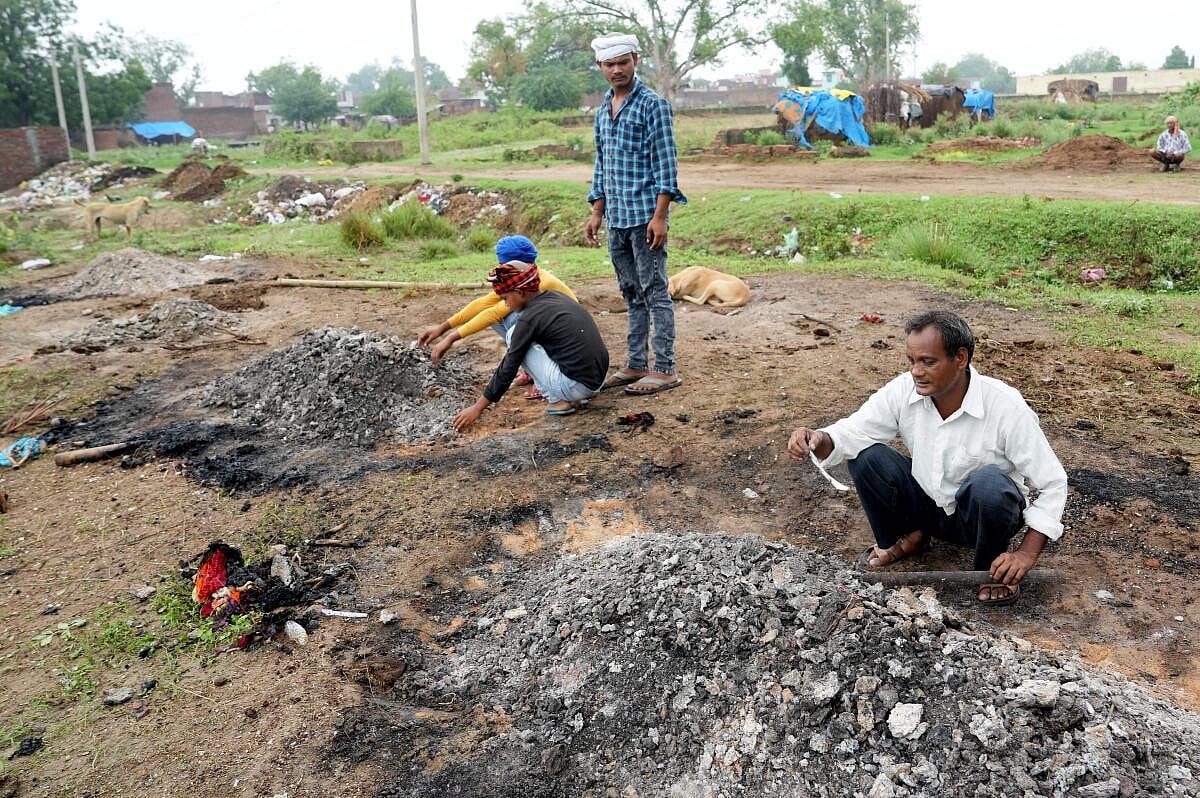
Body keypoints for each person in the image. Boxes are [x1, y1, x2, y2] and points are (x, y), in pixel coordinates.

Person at [787, 310, 1067, 606]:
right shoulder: (905, 390)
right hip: (928, 506)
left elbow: (1053, 483)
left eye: (928, 362)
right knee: (866, 455)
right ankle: (908, 536)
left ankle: (989, 568)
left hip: (981, 519)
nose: (916, 372)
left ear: (960, 359)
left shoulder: (1005, 407)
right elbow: (853, 431)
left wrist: (1025, 554)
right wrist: (818, 437)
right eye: (911, 361)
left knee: (989, 484)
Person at [583, 33, 687, 397]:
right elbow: (602, 165)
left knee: (655, 291)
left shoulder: (652, 105)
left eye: (622, 62)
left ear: (635, 61)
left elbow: (665, 165)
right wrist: (597, 212)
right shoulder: (602, 110)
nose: (616, 70)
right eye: (609, 64)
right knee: (630, 292)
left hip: (645, 218)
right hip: (617, 220)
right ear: (600, 67)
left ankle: (665, 368)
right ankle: (635, 363)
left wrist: (660, 217)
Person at [452, 262, 609, 432]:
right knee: (527, 338)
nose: (505, 304)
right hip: (597, 380)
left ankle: (557, 401)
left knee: (514, 336)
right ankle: (566, 394)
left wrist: (477, 408)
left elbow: (509, 367)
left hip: (577, 388)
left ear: (519, 293)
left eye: (505, 298)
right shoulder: (556, 296)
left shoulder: (530, 318)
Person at [418, 235, 578, 396]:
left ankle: (547, 377)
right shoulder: (526, 275)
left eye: (502, 264)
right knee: (502, 317)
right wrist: (442, 328)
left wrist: (451, 338)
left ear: (513, 264)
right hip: (555, 331)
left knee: (513, 320)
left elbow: (494, 313)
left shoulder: (541, 282)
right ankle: (533, 370)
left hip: (568, 340)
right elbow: (484, 303)